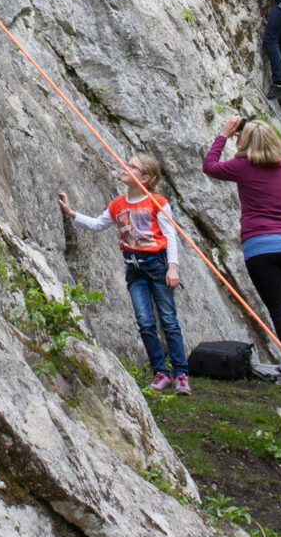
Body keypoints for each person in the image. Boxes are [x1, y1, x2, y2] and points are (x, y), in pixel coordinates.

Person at [202, 114, 281, 378]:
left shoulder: (242, 167)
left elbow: (209, 166)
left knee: (279, 311)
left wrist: (223, 135)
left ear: (246, 142)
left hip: (260, 247)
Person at [59, 158, 188, 392]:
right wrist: (72, 213)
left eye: (132, 166)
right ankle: (161, 372)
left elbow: (170, 236)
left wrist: (173, 267)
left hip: (157, 266)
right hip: (134, 268)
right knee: (145, 321)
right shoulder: (117, 204)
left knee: (169, 320)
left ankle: (181, 374)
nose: (125, 167)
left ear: (145, 178)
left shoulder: (158, 202)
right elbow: (97, 224)